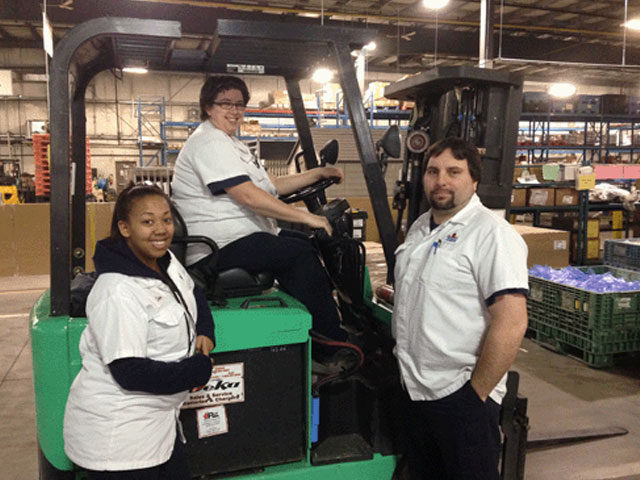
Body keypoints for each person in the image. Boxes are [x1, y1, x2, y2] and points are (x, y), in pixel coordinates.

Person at [392, 137, 529, 480]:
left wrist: (474, 396)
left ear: (474, 180)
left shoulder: (491, 234)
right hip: (416, 390)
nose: (441, 181)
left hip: (460, 393)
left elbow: (511, 323)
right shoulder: (422, 226)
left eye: (454, 172)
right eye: (433, 171)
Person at [171, 75, 346, 341]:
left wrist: (318, 173)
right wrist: (306, 216)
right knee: (298, 254)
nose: (234, 111)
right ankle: (331, 342)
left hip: (234, 239)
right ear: (208, 107)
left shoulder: (230, 144)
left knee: (303, 243)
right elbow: (249, 196)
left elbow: (271, 185)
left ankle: (312, 329)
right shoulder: (210, 142)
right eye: (225, 104)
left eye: (239, 105)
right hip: (215, 248)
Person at [63, 184, 216, 480]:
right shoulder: (118, 291)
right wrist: (197, 371)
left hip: (159, 426)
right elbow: (130, 372)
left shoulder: (166, 262)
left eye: (166, 219)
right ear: (125, 228)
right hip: (120, 439)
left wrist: (205, 331)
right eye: (147, 222)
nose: (161, 230)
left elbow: (193, 293)